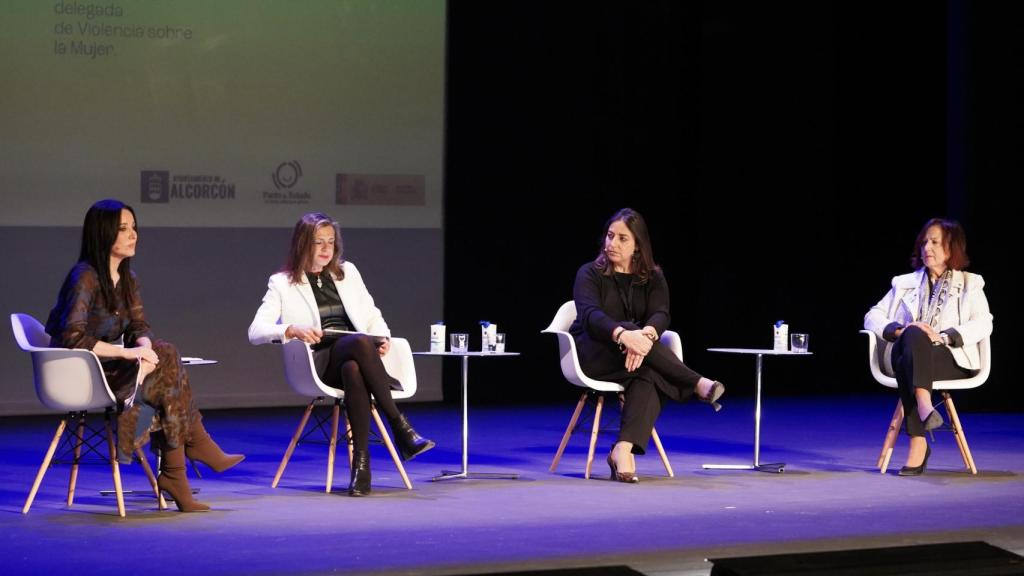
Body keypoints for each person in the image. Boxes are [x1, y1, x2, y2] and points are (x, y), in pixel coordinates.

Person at [46, 199, 244, 512]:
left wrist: (144, 347)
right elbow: (71, 336)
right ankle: (192, 450)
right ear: (103, 234)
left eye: (134, 228)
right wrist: (128, 353)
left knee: (163, 355)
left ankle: (177, 472)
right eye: (123, 229)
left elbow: (140, 325)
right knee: (168, 361)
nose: (133, 234)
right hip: (86, 374)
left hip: (117, 368)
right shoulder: (84, 277)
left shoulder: (128, 277)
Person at [248, 212, 434, 496]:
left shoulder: (348, 273)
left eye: (331, 242)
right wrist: (291, 329)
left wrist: (381, 336)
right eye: (318, 242)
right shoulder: (282, 283)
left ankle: (361, 469)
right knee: (360, 344)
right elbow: (256, 331)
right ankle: (400, 426)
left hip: (353, 357)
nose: (326, 249)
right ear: (302, 244)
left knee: (354, 369)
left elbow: (372, 315)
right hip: (320, 361)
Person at [570, 208, 725, 483]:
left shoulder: (652, 277)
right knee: (632, 331)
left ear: (638, 245)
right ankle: (696, 383)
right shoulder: (589, 274)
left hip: (636, 357)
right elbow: (590, 316)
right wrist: (624, 335)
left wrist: (647, 334)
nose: (612, 244)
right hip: (593, 353)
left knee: (647, 372)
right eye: (609, 236)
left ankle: (623, 449)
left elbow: (661, 313)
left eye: (622, 239)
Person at [864, 218, 993, 476]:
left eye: (935, 242)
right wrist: (900, 331)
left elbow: (984, 323)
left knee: (907, 361)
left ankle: (918, 441)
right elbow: (872, 315)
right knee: (913, 333)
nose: (927, 248)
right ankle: (925, 405)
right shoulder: (904, 283)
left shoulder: (970, 283)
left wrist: (943, 337)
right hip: (913, 355)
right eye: (924, 242)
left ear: (951, 248)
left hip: (950, 359)